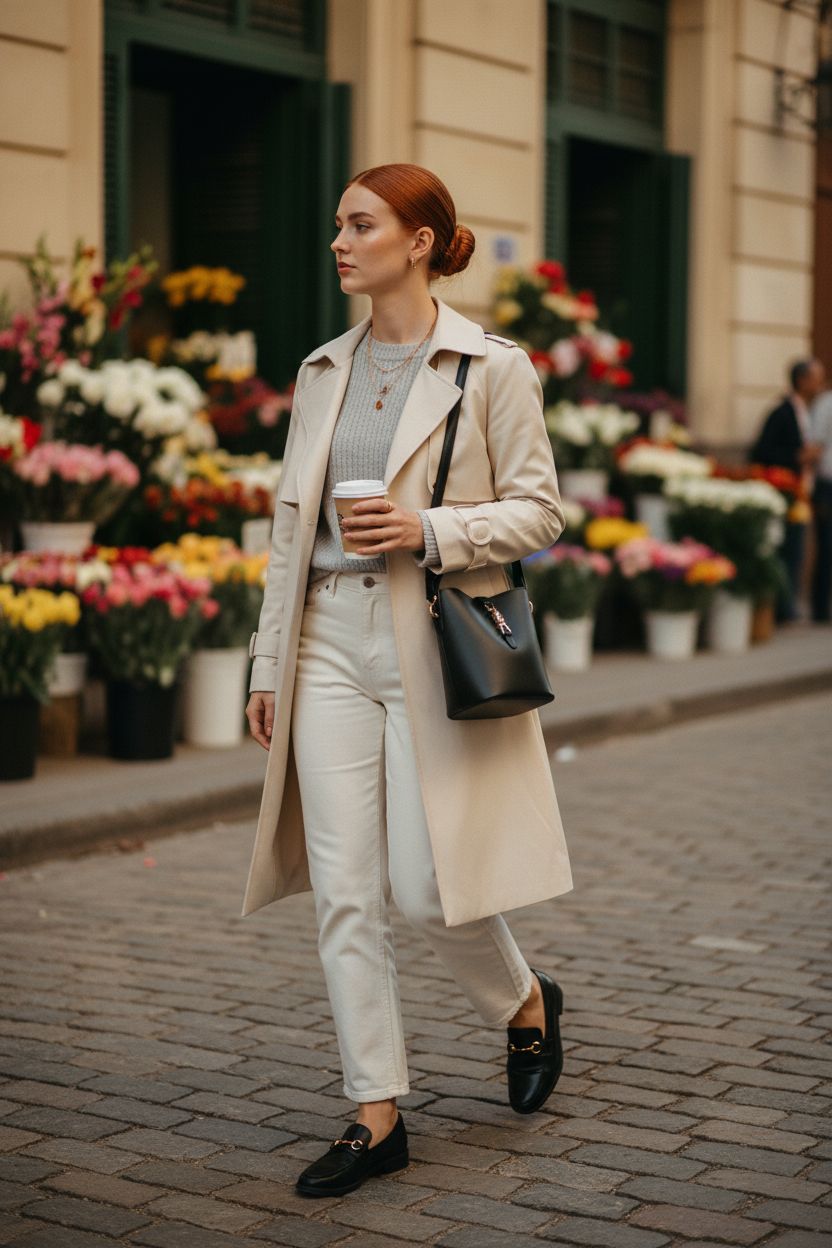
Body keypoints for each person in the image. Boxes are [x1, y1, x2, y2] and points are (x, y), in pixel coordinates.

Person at [243, 163, 573, 1198]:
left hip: (428, 634)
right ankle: (374, 1113)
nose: (339, 242)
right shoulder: (321, 369)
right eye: (337, 224)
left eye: (361, 224)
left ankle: (523, 1003)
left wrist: (430, 528)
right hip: (325, 642)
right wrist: (266, 660)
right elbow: (290, 526)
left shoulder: (489, 367)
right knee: (343, 890)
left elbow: (540, 511)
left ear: (421, 240)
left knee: (429, 885)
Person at [749, 358, 825, 620]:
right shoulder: (781, 412)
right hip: (784, 494)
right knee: (787, 552)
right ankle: (782, 609)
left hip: (802, 494)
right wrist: (798, 457)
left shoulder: (808, 411)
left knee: (796, 553)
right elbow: (761, 452)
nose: (820, 384)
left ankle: (788, 606)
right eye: (816, 378)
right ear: (801, 381)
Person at [810, 382, 832, 622]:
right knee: (827, 549)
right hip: (828, 486)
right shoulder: (827, 403)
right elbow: (815, 445)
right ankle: (821, 610)